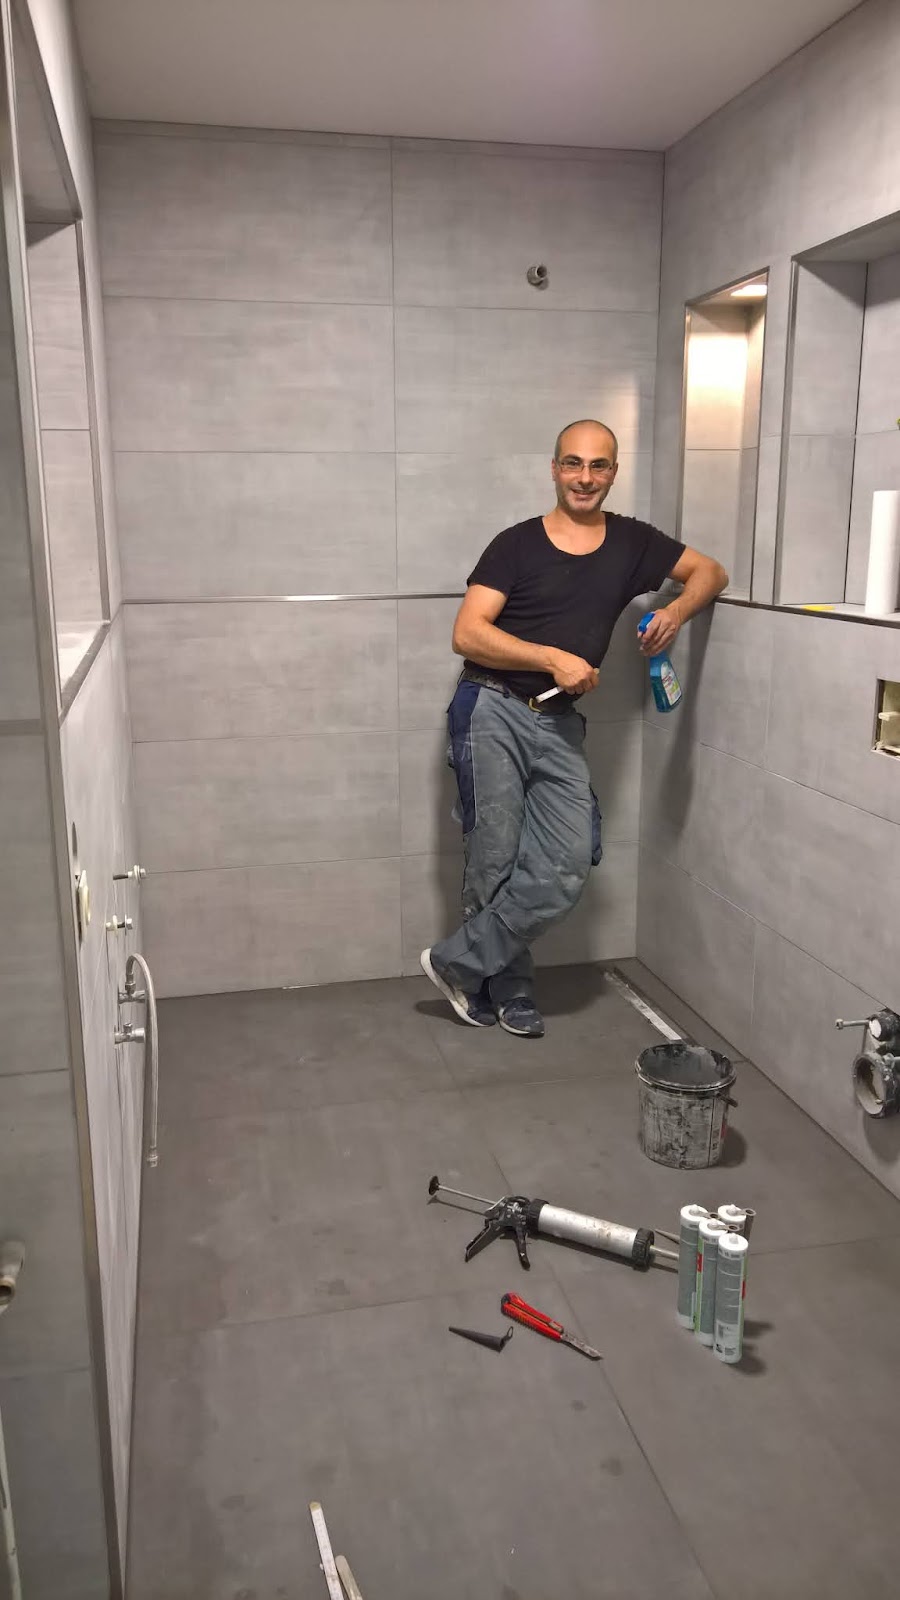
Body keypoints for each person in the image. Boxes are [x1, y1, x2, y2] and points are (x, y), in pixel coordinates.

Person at [419, 419, 728, 1038]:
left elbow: (710, 573)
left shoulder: (634, 543)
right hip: (491, 707)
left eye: (598, 465)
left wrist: (673, 611)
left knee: (567, 860)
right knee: (496, 856)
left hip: (558, 720)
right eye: (573, 463)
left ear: (614, 472)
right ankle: (507, 988)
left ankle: (458, 963)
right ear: (554, 468)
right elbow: (467, 634)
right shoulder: (515, 545)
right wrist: (551, 657)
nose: (585, 477)